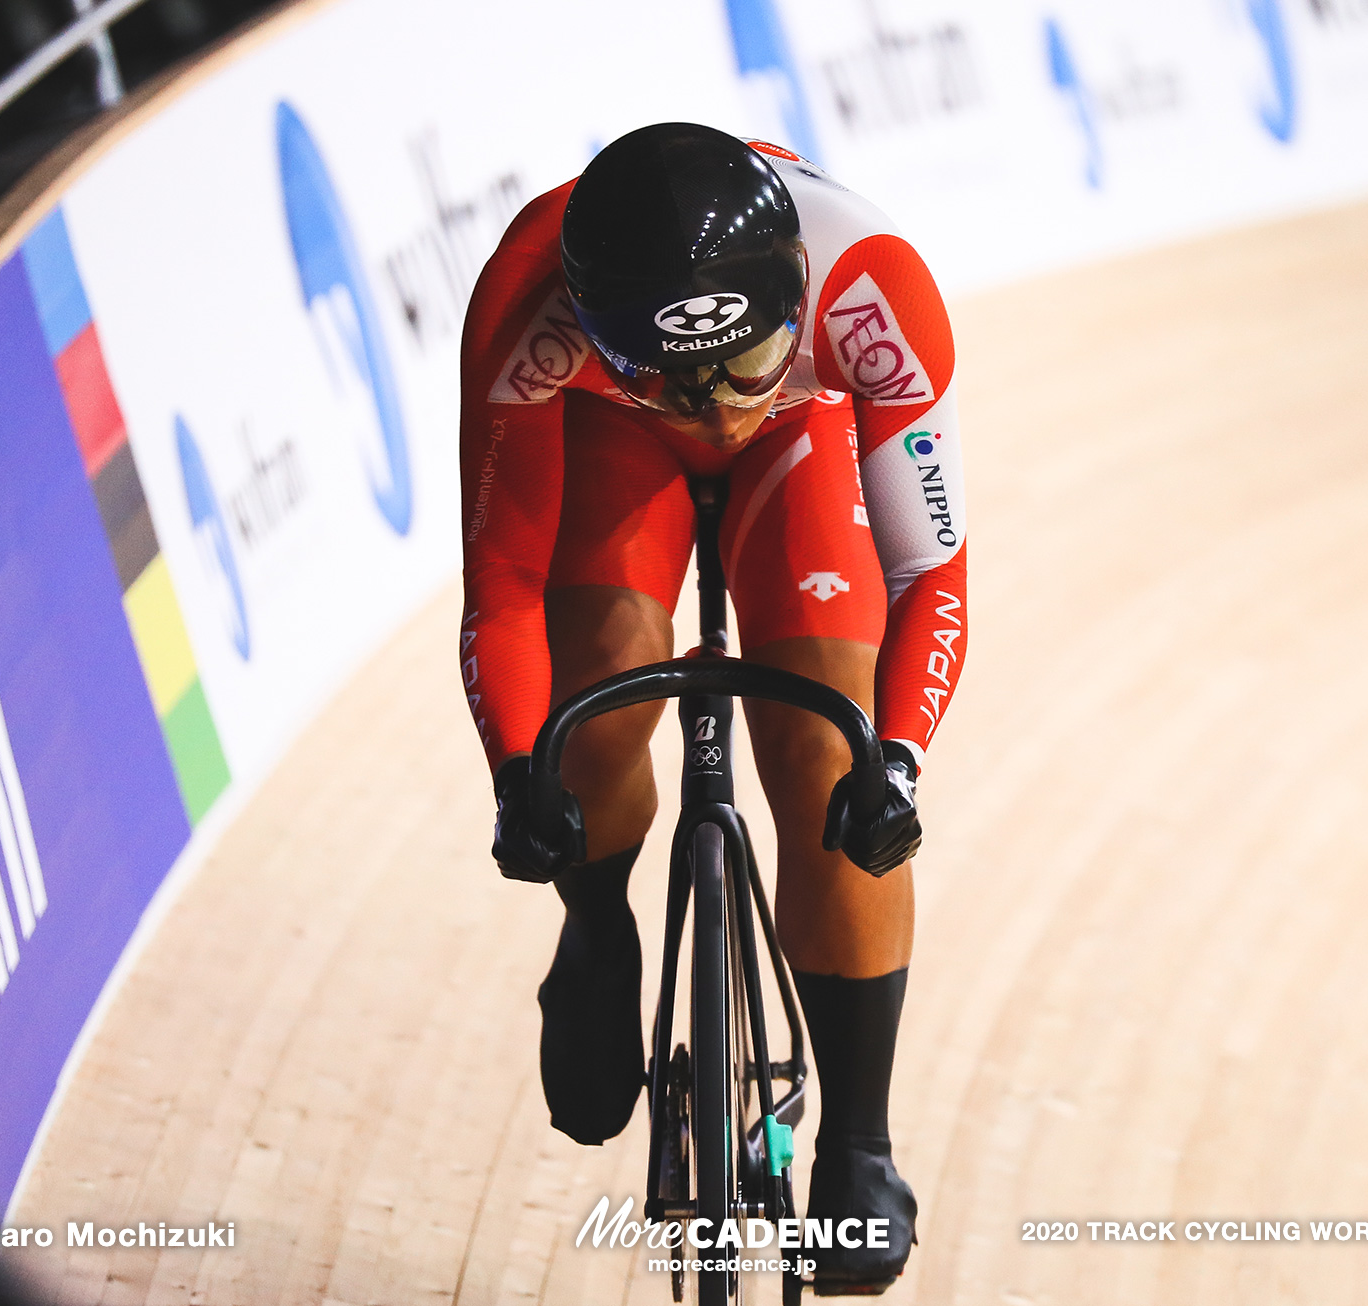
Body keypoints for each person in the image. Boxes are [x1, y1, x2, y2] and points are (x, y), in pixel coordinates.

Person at [458, 122, 967, 1294]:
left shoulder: (870, 286)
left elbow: (929, 577)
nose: (716, 410)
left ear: (795, 296)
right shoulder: (528, 304)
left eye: (744, 365)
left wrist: (896, 760)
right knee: (588, 696)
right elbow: (504, 590)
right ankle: (598, 933)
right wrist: (516, 772)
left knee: (826, 747)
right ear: (595, 331)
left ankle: (860, 1137)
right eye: (677, 377)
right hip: (605, 433)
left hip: (813, 429)